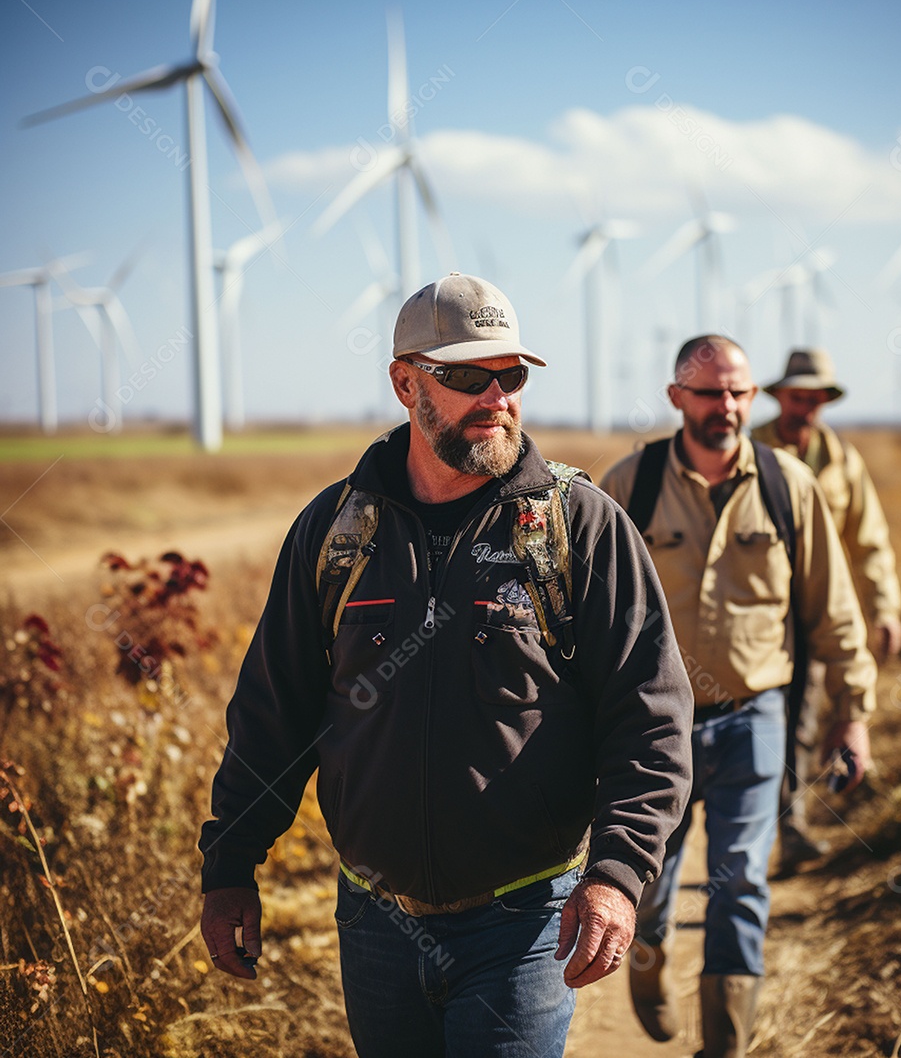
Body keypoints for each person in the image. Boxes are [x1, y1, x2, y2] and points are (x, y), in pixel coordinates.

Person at [198, 273, 694, 1058]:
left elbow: (651, 720)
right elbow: (273, 712)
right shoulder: (335, 533)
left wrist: (618, 875)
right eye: (467, 376)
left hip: (525, 922)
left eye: (513, 375)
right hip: (374, 923)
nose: (496, 395)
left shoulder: (581, 528)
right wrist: (229, 862)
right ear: (405, 383)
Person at [600, 335, 876, 1058]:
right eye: (708, 392)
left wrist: (853, 714)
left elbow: (834, 609)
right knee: (650, 880)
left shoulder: (789, 486)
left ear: (753, 398)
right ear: (676, 398)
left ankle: (724, 1045)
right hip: (654, 726)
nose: (725, 406)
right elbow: (586, 614)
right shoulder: (631, 485)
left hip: (756, 718)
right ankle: (648, 960)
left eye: (738, 393)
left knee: (742, 883)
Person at [752, 348, 901, 870]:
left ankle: (796, 822)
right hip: (763, 613)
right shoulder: (749, 451)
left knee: (809, 715)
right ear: (779, 398)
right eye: (798, 397)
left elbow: (870, 541)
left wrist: (884, 608)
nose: (806, 408)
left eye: (815, 399)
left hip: (822, 610)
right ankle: (778, 829)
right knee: (777, 719)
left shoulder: (843, 460)